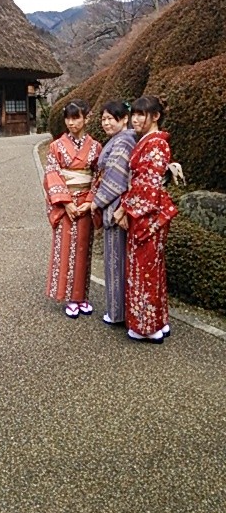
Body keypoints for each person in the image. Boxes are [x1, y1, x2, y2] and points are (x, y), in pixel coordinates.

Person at [113, 95, 178, 344]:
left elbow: (147, 186)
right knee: (151, 268)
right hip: (147, 211)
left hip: (146, 214)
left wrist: (124, 210)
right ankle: (158, 322)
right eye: (135, 114)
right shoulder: (150, 142)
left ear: (155, 116)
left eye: (142, 114)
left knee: (144, 270)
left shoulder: (156, 144)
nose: (136, 119)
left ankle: (146, 327)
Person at [44, 100, 102, 318]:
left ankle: (82, 296)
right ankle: (69, 297)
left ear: (86, 118)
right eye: (68, 118)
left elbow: (98, 175)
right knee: (66, 248)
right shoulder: (56, 146)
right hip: (66, 202)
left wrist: (90, 200)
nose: (71, 123)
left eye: (76, 118)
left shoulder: (95, 147)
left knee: (83, 249)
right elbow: (51, 173)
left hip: (85, 203)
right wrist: (66, 202)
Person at [91, 100, 136, 325]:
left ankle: (117, 312)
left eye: (111, 118)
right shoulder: (119, 140)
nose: (106, 123)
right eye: (103, 119)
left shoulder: (124, 141)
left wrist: (96, 202)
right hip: (117, 204)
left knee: (116, 259)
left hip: (117, 205)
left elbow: (116, 177)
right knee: (118, 259)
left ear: (124, 119)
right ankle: (123, 310)